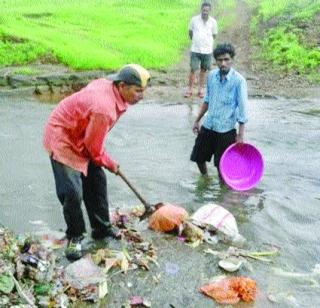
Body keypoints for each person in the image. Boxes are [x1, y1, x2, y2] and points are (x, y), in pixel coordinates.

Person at [43, 64, 150, 260]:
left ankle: (101, 228)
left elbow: (92, 145)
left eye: (143, 91)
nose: (141, 96)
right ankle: (75, 236)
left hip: (83, 134)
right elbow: (94, 150)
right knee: (72, 192)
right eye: (137, 91)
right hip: (63, 138)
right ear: (122, 85)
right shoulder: (104, 108)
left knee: (97, 183)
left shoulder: (112, 88)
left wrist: (101, 158)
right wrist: (110, 163)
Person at [190, 43, 248, 180]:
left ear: (232, 60)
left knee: (221, 166)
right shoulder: (212, 76)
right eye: (220, 60)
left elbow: (243, 109)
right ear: (215, 61)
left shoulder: (239, 81)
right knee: (198, 157)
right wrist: (197, 121)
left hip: (226, 130)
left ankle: (223, 194)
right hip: (209, 125)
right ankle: (205, 180)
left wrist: (240, 135)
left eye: (226, 59)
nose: (223, 63)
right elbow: (207, 101)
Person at [184, 1, 218, 98]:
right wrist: (196, 40)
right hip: (195, 49)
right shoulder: (194, 20)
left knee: (203, 70)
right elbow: (190, 33)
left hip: (207, 50)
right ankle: (189, 89)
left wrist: (207, 42)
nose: (205, 12)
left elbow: (214, 35)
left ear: (209, 11)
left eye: (207, 10)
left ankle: (201, 89)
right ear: (201, 10)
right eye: (203, 10)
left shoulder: (213, 22)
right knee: (193, 69)